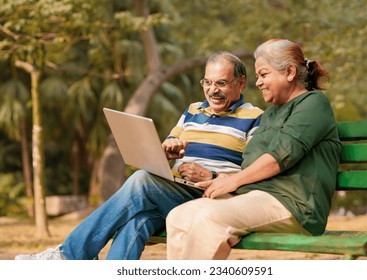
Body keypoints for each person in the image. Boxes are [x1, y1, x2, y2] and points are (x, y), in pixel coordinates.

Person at [15, 51, 263, 260]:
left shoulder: (254, 118)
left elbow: (254, 172)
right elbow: (168, 142)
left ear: (240, 83)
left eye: (220, 83)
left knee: (142, 179)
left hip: (210, 197)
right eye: (207, 83)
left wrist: (212, 175)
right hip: (176, 190)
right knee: (138, 221)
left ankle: (68, 256)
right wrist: (168, 149)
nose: (212, 90)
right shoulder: (192, 111)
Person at [166, 39, 342, 260]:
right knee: (180, 216)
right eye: (257, 76)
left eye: (263, 74)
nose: (258, 82)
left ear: (289, 72)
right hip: (256, 197)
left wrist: (233, 181)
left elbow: (281, 156)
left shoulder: (313, 103)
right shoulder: (269, 114)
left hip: (295, 205)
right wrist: (220, 178)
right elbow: (252, 166)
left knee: (210, 219)